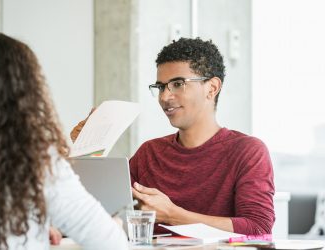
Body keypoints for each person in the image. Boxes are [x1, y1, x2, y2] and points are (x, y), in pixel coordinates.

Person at [0, 32, 128, 250]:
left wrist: (36, 224)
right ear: (24, 95)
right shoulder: (36, 161)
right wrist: (115, 225)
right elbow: (108, 242)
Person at [71, 37, 275, 235]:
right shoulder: (149, 153)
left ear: (212, 88)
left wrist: (174, 215)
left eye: (178, 84)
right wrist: (82, 153)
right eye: (160, 86)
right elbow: (101, 214)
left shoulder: (247, 151)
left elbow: (258, 228)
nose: (164, 97)